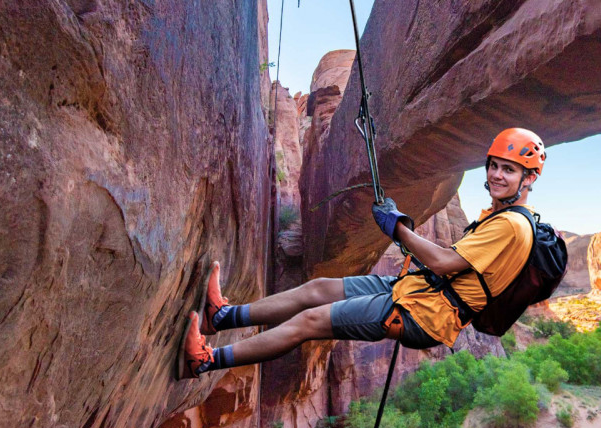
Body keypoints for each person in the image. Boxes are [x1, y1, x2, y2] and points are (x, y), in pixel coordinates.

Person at [178, 127, 547, 379]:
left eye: (509, 170)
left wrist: (397, 227)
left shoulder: (511, 225)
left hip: (422, 314)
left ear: (528, 178)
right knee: (317, 288)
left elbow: (445, 262)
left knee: (309, 322)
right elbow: (456, 267)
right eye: (495, 166)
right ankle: (221, 316)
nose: (497, 175)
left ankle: (205, 362)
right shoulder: (502, 216)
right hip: (416, 290)